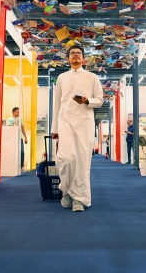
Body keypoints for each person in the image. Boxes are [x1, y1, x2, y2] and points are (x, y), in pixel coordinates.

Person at [51, 45, 103, 212]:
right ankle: (66, 190)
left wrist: (88, 101)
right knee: (66, 159)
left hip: (84, 123)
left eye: (78, 53)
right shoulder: (61, 78)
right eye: (72, 53)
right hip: (65, 122)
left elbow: (100, 99)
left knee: (81, 162)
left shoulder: (92, 77)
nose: (75, 56)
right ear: (68, 58)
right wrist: (54, 128)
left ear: (83, 58)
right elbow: (57, 103)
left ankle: (78, 199)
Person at [6, 107, 28, 172]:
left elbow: (22, 128)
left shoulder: (20, 119)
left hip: (19, 138)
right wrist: (15, 122)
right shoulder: (9, 119)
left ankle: (21, 166)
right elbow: (9, 129)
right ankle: (12, 166)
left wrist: (25, 137)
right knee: (12, 153)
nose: (18, 113)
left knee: (22, 152)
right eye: (18, 112)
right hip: (12, 138)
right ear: (14, 112)